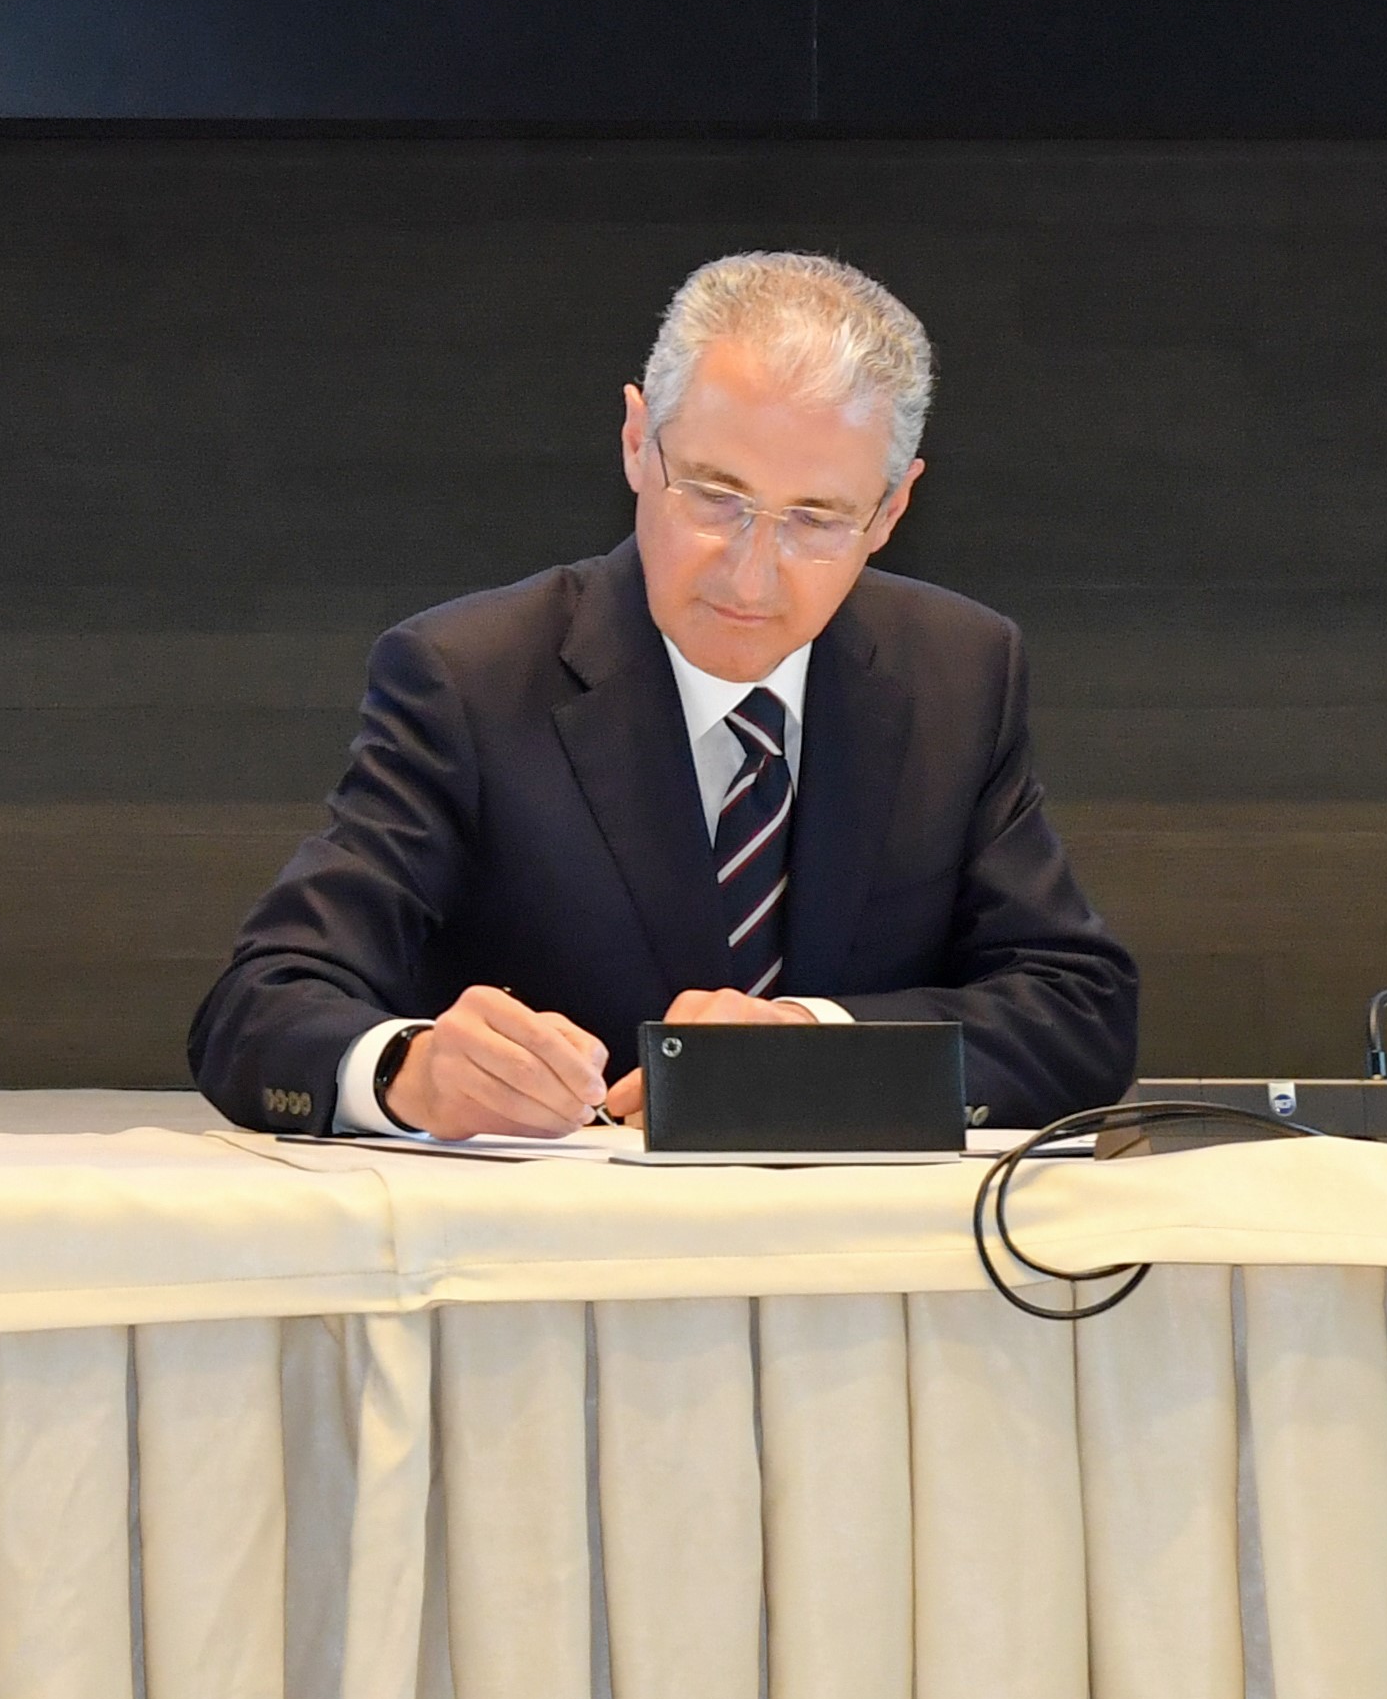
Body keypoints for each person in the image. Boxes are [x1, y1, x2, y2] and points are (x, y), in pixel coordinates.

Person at [189, 251, 1139, 1138]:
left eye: (815, 519)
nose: (752, 574)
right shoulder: (468, 676)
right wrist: (409, 1069)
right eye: (716, 497)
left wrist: (818, 1041)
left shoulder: (960, 671)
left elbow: (1078, 1012)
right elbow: (258, 1006)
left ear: (891, 510)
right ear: (639, 442)